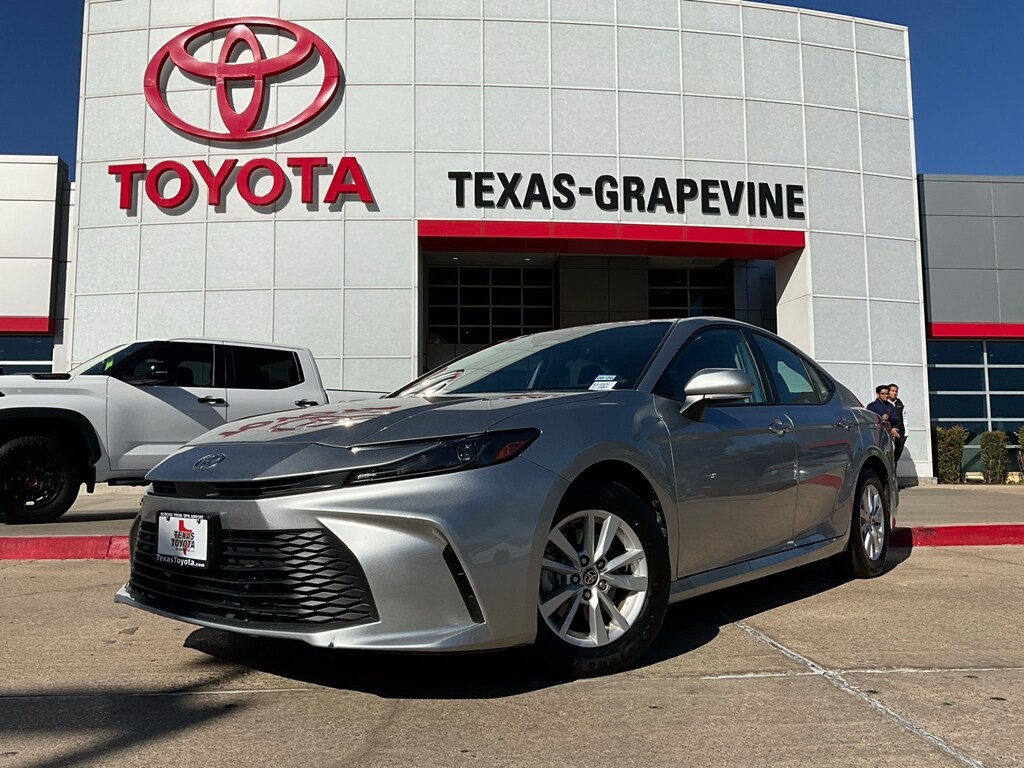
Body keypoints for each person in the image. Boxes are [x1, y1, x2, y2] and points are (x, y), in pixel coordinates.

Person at [888, 383, 907, 463]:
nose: (894, 393)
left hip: (900, 433)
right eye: (892, 391)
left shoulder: (900, 403)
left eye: (896, 391)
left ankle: (894, 473)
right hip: (889, 433)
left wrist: (906, 433)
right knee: (889, 455)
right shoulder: (884, 404)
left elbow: (905, 417)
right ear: (888, 392)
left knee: (897, 455)